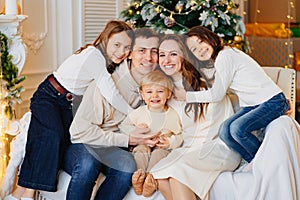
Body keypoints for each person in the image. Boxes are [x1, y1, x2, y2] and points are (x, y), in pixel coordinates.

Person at [5, 20, 135, 200]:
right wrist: (133, 113)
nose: (121, 52)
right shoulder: (94, 55)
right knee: (53, 135)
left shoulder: (108, 62)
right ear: (105, 40)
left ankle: (20, 192)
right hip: (49, 96)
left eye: (127, 47)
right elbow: (110, 93)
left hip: (68, 105)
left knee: (61, 139)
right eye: (117, 45)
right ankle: (27, 192)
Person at [62, 27, 161, 200]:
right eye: (142, 51)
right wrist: (128, 139)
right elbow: (79, 132)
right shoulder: (105, 85)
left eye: (155, 51)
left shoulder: (154, 88)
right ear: (129, 54)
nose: (149, 57)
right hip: (84, 144)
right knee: (87, 164)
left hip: (112, 149)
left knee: (127, 166)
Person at [140, 34, 241, 200]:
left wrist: (271, 103)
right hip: (188, 148)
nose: (166, 60)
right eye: (162, 55)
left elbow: (240, 88)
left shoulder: (209, 80)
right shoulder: (164, 91)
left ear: (184, 55)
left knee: (178, 173)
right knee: (159, 176)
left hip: (218, 146)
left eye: (173, 54)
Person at [177, 26, 290, 163]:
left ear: (209, 38)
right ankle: (253, 161)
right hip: (252, 105)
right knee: (224, 132)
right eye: (194, 49)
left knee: (238, 129)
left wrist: (188, 96)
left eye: (201, 41)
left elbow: (217, 94)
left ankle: (264, 163)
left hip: (272, 101)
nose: (200, 48)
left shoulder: (226, 55)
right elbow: (226, 87)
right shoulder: (217, 60)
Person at [119, 70, 182, 197]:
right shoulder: (139, 112)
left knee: (160, 154)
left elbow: (180, 135)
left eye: (160, 91)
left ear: (168, 94)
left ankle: (150, 180)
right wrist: (135, 131)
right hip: (142, 143)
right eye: (149, 92)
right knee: (141, 151)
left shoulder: (172, 115)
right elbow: (123, 126)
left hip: (160, 146)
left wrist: (169, 142)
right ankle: (139, 177)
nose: (155, 96)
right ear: (142, 95)